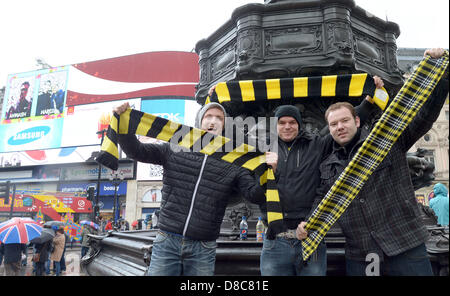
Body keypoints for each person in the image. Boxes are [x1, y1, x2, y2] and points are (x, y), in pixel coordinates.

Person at [297, 48, 448, 276]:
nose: (340, 127)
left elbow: (423, 116)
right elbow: (322, 199)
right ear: (329, 129)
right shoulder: (328, 164)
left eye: (345, 120)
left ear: (357, 120)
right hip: (363, 253)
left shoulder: (386, 140)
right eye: (334, 124)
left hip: (404, 243)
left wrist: (442, 74)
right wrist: (307, 224)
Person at [113, 101, 267, 276]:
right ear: (200, 121)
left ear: (224, 125)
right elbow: (137, 151)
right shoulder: (176, 147)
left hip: (203, 247)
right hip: (167, 241)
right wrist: (123, 123)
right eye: (208, 116)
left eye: (219, 118)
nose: (213, 121)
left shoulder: (234, 160)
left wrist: (269, 173)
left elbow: (254, 195)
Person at [259, 77, 384, 276]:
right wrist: (218, 98)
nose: (287, 126)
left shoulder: (316, 144)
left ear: (299, 125)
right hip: (275, 240)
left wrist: (369, 100)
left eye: (292, 122)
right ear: (276, 126)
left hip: (311, 236)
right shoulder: (263, 150)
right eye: (282, 123)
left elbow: (345, 121)